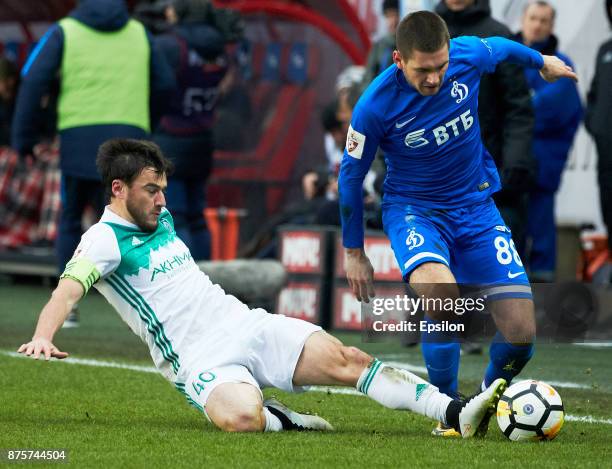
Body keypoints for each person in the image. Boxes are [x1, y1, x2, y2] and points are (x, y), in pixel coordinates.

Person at [18, 138, 505, 436]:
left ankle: (455, 412)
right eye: (151, 189)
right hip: (198, 358)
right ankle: (283, 418)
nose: (163, 200)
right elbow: (66, 290)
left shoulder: (159, 217)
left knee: (349, 360)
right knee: (243, 422)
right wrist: (44, 335)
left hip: (243, 322)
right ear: (118, 190)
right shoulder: (103, 240)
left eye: (164, 187)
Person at [338, 11, 576, 437]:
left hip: (476, 208)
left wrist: (541, 62)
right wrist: (354, 253)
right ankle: (448, 410)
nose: (434, 79)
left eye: (441, 67)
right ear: (398, 59)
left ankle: (483, 400)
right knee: (442, 294)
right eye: (423, 70)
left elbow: (502, 48)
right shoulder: (373, 105)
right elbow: (350, 177)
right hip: (415, 211)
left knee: (522, 333)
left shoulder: (466, 54)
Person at [11, 0, 175, 327]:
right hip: (131, 139)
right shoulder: (140, 33)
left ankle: (67, 308)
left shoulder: (65, 31)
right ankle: (157, 307)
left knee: (71, 218)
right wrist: (146, 126)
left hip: (79, 138)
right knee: (139, 221)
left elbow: (33, 79)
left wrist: (24, 138)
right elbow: (166, 83)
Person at [436, 0, 536, 258]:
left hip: (489, 184)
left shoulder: (498, 35)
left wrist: (513, 168)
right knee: (434, 284)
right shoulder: (426, 32)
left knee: (492, 287)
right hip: (433, 184)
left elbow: (518, 109)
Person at [153, 0, 235, 260]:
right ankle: (204, 274)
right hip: (203, 138)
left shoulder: (170, 45)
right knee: (197, 215)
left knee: (175, 216)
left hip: (171, 137)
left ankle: (184, 277)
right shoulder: (221, 47)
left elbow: (160, 85)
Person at [515, 1, 582, 282]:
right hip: (508, 171)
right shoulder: (506, 61)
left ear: (552, 26)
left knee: (542, 242)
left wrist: (520, 108)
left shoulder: (562, 65)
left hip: (542, 170)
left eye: (544, 20)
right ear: (523, 20)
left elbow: (559, 112)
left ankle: (543, 308)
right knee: (506, 240)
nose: (537, 24)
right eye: (533, 18)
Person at [586, 0, 612, 261]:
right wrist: (595, 125)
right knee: (609, 211)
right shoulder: (605, 50)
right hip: (607, 155)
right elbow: (593, 96)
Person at [362, 0, 400, 86]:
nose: (393, 21)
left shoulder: (412, 44)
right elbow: (368, 79)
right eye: (389, 16)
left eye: (396, 14)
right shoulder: (379, 46)